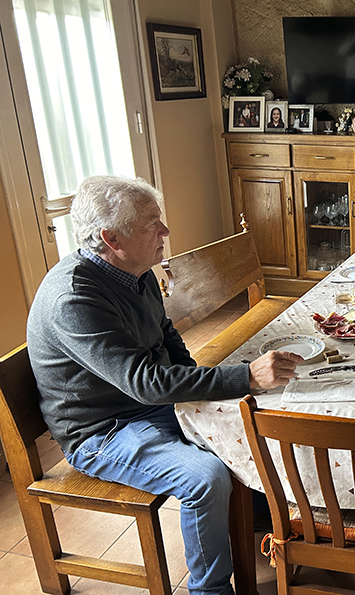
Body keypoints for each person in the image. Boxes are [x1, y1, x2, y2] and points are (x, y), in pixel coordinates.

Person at [26, 175, 303, 595]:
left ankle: (266, 525)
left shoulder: (131, 271)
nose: (166, 231)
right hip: (102, 431)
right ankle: (209, 590)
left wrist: (204, 394)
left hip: (144, 404)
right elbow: (144, 382)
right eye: (152, 223)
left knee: (255, 420)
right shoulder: (75, 298)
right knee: (204, 478)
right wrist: (243, 375)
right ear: (111, 237)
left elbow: (167, 336)